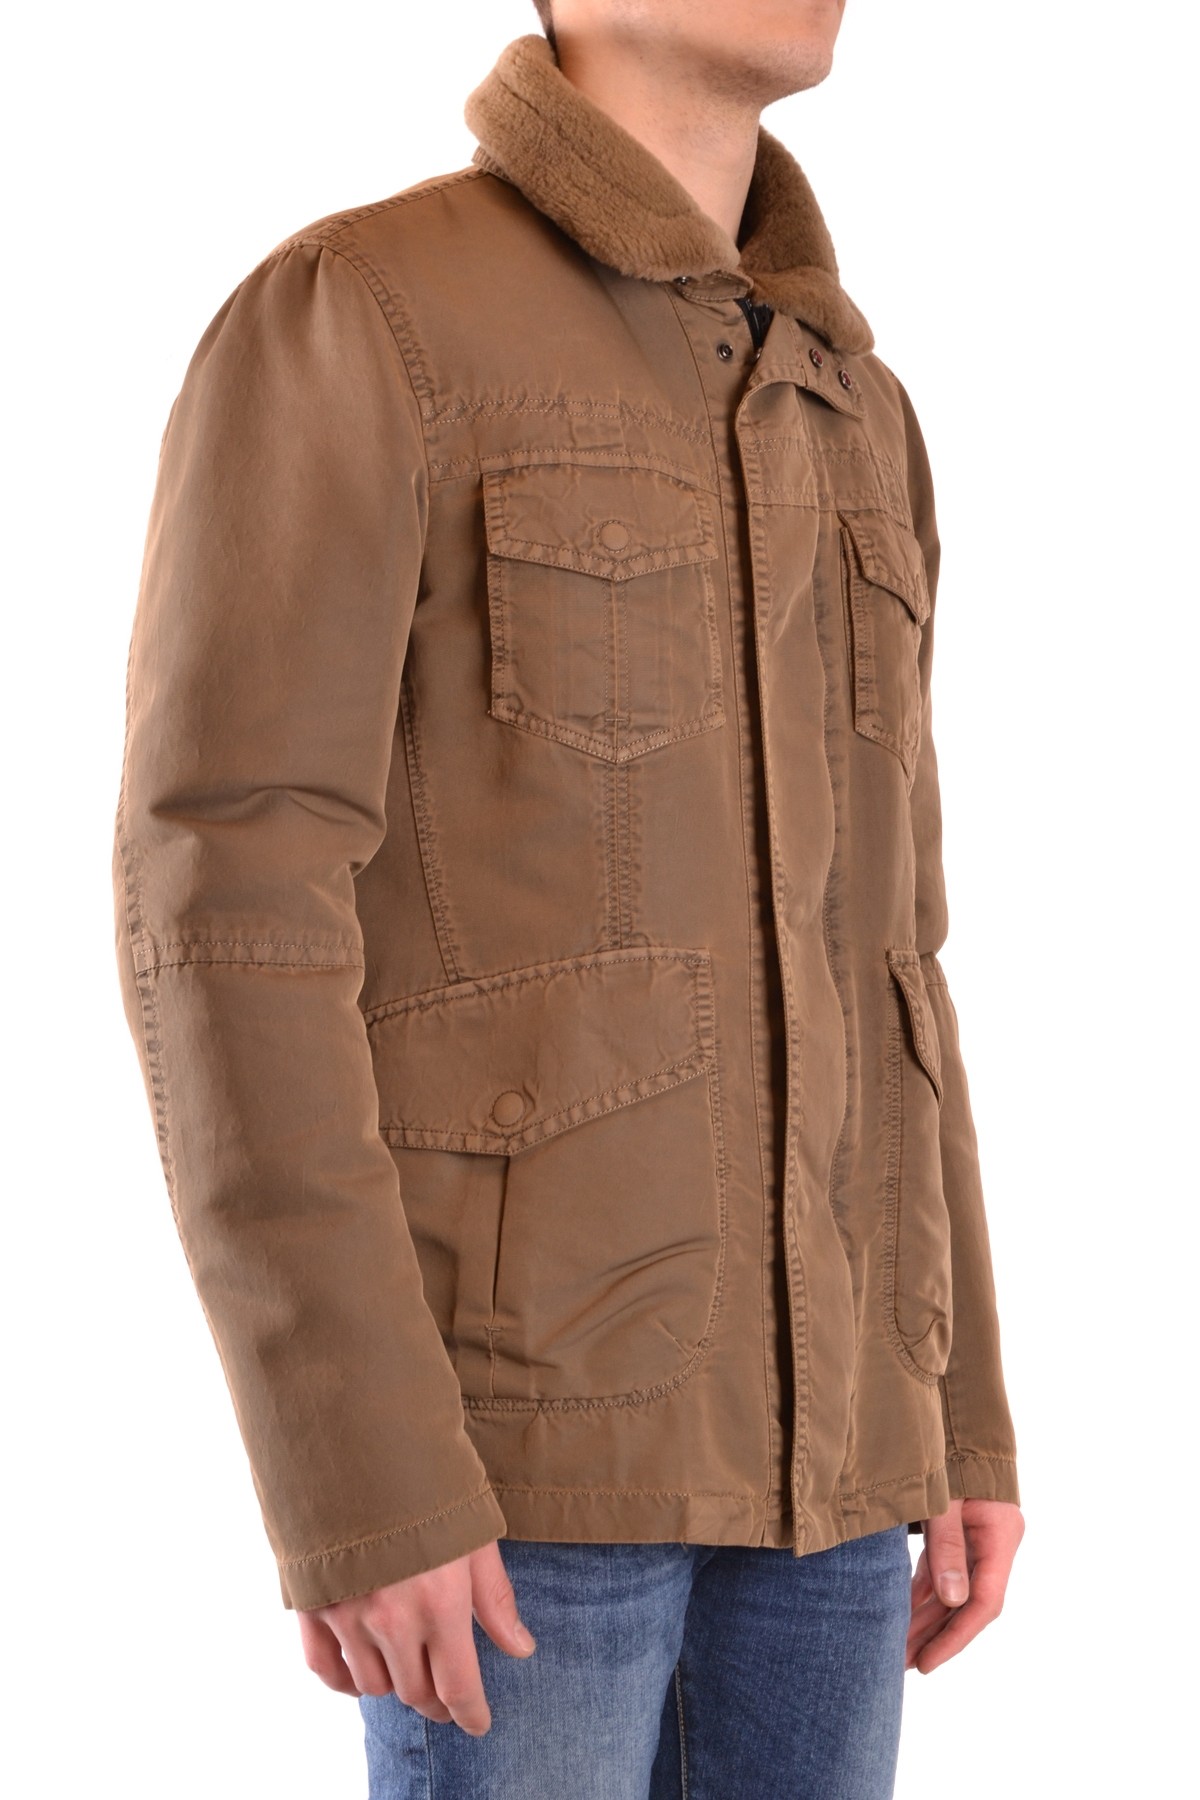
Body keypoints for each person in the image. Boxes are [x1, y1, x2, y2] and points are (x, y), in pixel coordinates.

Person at [112, 3, 1024, 1794]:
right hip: (515, 1475)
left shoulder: (858, 404)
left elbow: (896, 956)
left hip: (842, 1481)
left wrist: (956, 1406)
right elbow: (225, 900)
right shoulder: (366, 315)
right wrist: (359, 1467)